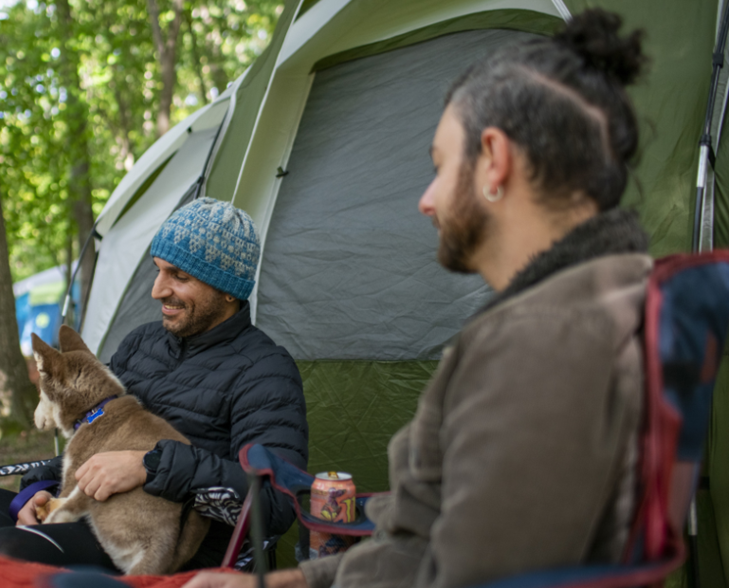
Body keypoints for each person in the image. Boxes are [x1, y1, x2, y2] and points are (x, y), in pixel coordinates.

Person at [187, 9, 649, 588]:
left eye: (438, 167)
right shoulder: (599, 308)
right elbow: (422, 549)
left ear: (494, 162)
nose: (426, 201)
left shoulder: (546, 347)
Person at [0, 198, 309, 588]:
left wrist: (149, 466)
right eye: (158, 271)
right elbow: (93, 437)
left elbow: (273, 504)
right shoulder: (141, 344)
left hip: (156, 545)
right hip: (84, 509)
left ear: (228, 288)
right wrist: (41, 488)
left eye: (179, 276)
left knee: (9, 550)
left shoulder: (266, 372)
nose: (157, 290)